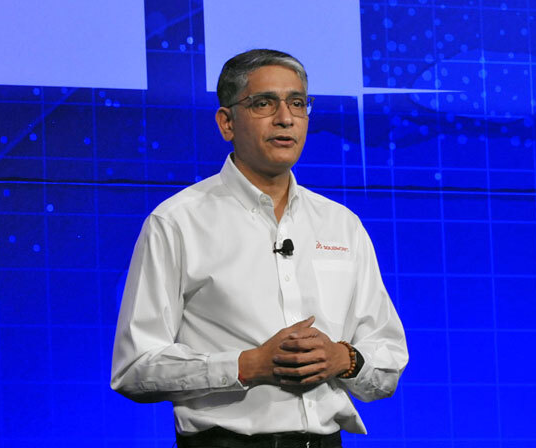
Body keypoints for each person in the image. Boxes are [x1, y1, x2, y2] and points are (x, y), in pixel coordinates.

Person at [111, 49, 408, 446]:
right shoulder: (177, 222)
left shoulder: (342, 224)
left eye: (297, 103)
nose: (285, 118)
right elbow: (135, 368)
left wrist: (344, 358)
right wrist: (246, 366)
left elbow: (388, 358)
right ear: (226, 122)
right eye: (264, 103)